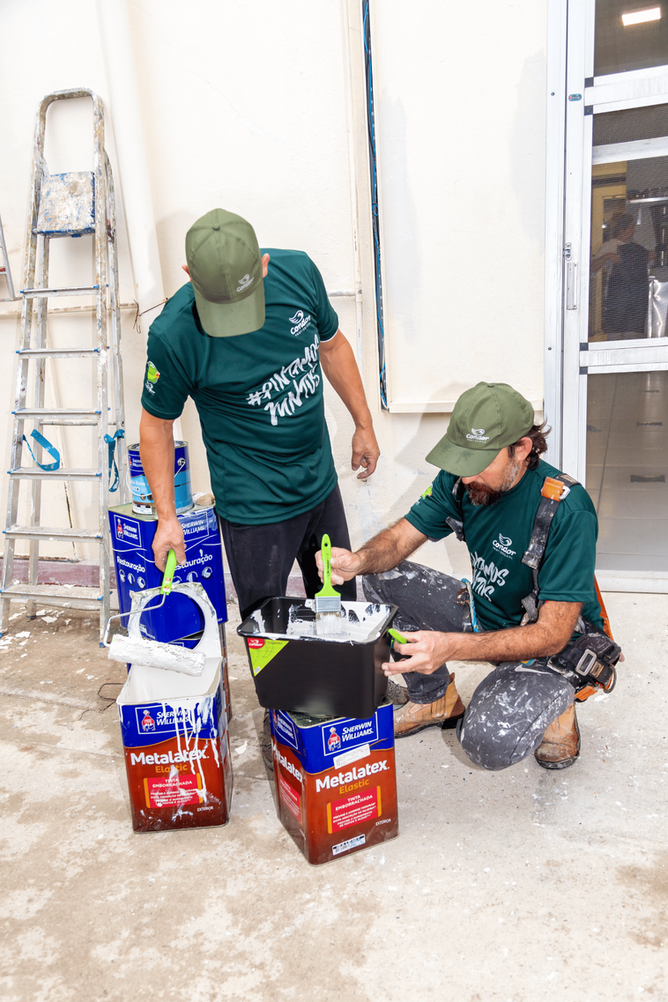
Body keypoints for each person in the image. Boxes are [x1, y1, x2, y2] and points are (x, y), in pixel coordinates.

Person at [320, 382, 620, 771]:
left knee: (485, 741)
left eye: (478, 463)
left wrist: (450, 646)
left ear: (522, 450)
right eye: (461, 461)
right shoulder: (463, 480)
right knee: (376, 575)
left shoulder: (566, 509)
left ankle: (556, 704)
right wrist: (358, 560)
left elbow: (552, 635)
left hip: (549, 646)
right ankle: (434, 699)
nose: (464, 478)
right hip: (482, 610)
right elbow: (398, 540)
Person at [139, 208, 379, 620]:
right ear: (188, 274)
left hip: (319, 484)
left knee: (340, 609)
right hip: (254, 506)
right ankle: (284, 688)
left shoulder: (299, 273)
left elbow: (333, 346)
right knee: (267, 626)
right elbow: (156, 425)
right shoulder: (173, 335)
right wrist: (166, 517)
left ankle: (351, 687)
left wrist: (364, 424)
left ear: (264, 266)